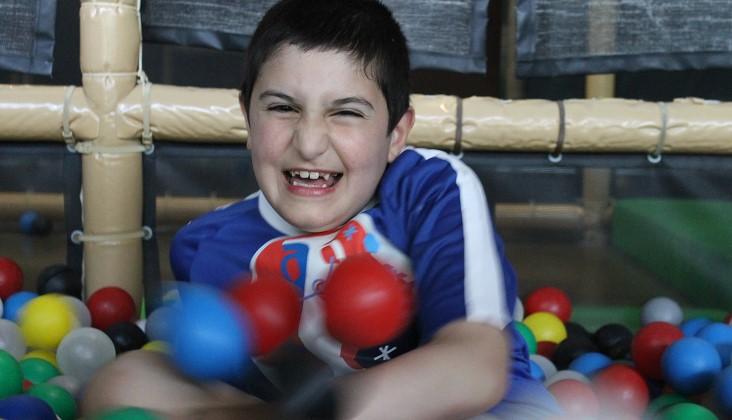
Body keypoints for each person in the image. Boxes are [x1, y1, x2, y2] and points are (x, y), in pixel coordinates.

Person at [82, 0, 561, 418]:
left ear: (396, 134)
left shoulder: (431, 188)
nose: (310, 143)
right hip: (298, 408)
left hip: (472, 408)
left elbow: (474, 365)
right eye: (283, 108)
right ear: (247, 116)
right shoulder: (205, 246)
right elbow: (240, 378)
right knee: (124, 381)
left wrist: (329, 409)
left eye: (346, 112)